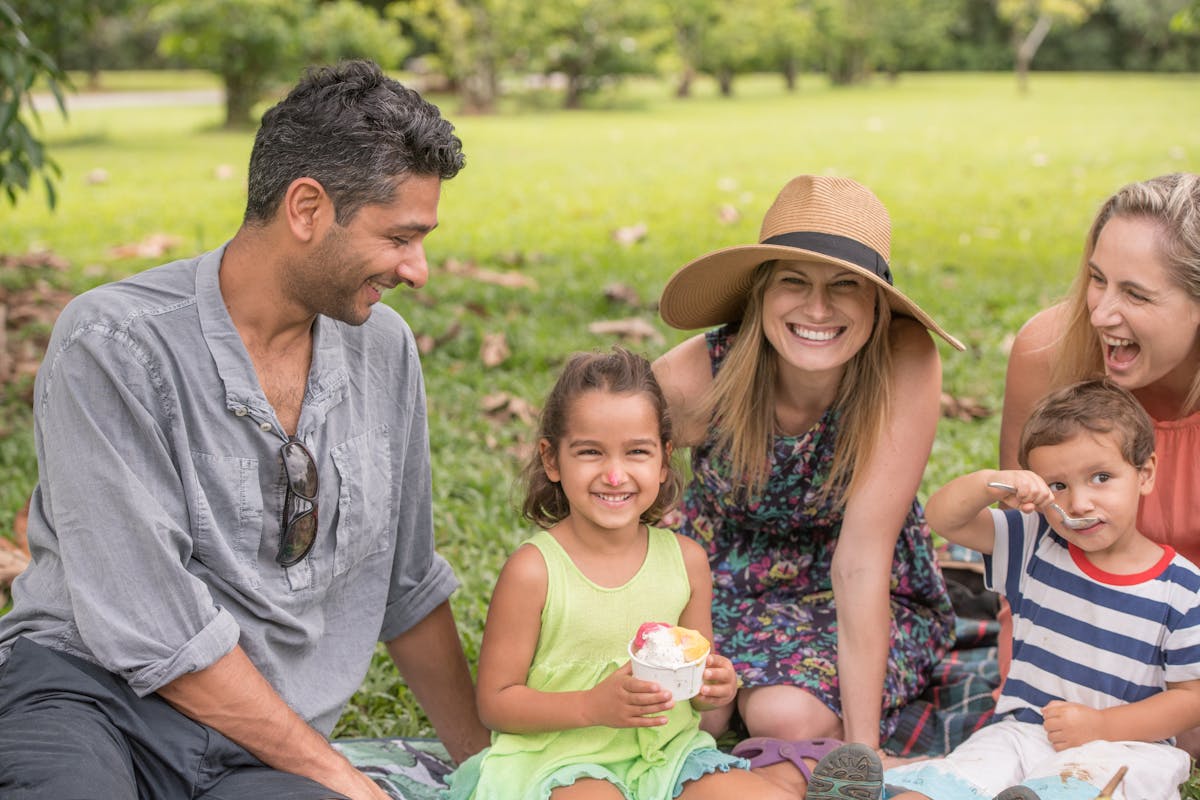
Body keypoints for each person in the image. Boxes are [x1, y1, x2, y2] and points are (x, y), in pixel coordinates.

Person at [0, 60, 489, 799]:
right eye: (399, 237)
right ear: (306, 208)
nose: (417, 270)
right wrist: (344, 781)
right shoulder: (114, 344)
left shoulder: (385, 351)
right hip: (90, 698)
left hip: (263, 746)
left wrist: (492, 766)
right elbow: (155, 629)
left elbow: (407, 587)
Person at [444, 347, 884, 800]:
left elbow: (697, 695)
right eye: (590, 452)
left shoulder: (686, 562)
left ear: (663, 458)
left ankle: (793, 787)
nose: (615, 475)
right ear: (552, 459)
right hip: (562, 761)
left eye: (637, 452)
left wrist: (717, 686)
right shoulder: (534, 571)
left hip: (667, 757)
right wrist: (590, 705)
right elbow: (496, 703)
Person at [651, 174, 962, 779]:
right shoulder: (698, 375)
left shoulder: (904, 359)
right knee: (691, 714)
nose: (817, 309)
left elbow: (862, 558)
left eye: (845, 285)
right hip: (717, 583)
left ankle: (809, 745)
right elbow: (607, 472)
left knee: (784, 715)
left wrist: (864, 748)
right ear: (761, 294)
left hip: (857, 587)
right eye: (794, 281)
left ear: (877, 301)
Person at [885, 378, 1200, 800]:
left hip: (1126, 748)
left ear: (1145, 474)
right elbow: (943, 519)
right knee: (957, 780)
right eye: (1058, 485)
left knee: (1075, 790)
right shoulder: (1035, 544)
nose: (1079, 503)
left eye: (1101, 477)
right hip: (1022, 733)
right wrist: (992, 483)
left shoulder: (1182, 589)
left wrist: (1103, 727)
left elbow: (1190, 699)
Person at [996, 172, 1200, 748]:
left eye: (1135, 294)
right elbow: (1032, 535)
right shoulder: (1047, 354)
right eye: (1097, 280)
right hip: (1071, 635)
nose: (1101, 313)